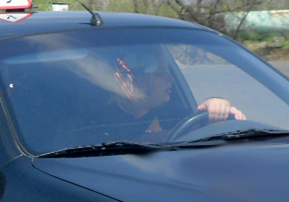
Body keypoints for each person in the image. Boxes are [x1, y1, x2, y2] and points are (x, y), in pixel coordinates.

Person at [104, 45, 245, 141]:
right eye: (160, 74)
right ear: (133, 80)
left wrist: (216, 111)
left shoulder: (173, 112)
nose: (170, 78)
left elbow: (200, 132)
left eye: (169, 72)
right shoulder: (103, 121)